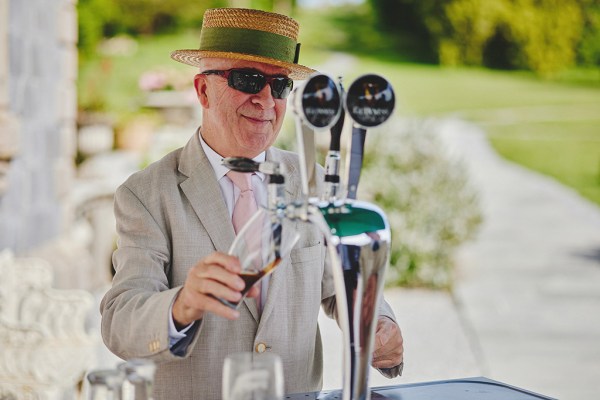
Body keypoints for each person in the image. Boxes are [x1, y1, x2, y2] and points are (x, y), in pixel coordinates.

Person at [100, 7, 403, 400]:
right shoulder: (146, 193)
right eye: (248, 80)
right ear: (203, 90)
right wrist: (181, 305)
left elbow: (343, 281)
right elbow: (120, 321)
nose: (265, 99)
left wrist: (378, 323)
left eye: (279, 86)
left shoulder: (307, 180)